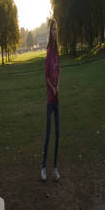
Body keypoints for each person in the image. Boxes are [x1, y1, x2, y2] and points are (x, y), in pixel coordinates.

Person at [42, 18, 60, 181]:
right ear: (50, 32)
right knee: (48, 134)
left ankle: (54, 167)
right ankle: (43, 168)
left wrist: (58, 85)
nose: (54, 32)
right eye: (52, 30)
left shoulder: (57, 51)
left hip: (57, 98)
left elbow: (58, 72)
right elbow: (46, 75)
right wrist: (53, 87)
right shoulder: (48, 51)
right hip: (49, 99)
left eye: (56, 30)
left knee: (58, 133)